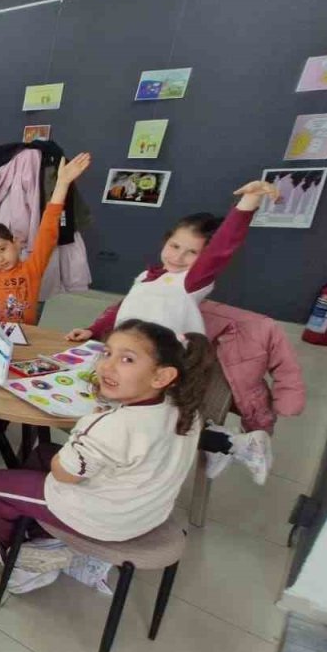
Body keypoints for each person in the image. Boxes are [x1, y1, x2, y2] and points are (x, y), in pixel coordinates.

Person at [0, 319, 215, 594]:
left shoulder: (112, 425)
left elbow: (64, 472)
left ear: (161, 376)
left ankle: (19, 561)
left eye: (127, 359)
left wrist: (84, 429)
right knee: (41, 452)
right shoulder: (187, 410)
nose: (106, 367)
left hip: (103, 519)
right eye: (107, 353)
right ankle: (45, 537)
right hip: (146, 510)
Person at [66, 180, 281, 482]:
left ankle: (238, 445)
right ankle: (219, 444)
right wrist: (92, 330)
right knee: (155, 417)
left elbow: (221, 250)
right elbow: (123, 307)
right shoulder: (148, 276)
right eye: (174, 246)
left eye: (191, 253)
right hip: (133, 359)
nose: (178, 257)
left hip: (161, 366)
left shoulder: (191, 281)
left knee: (161, 420)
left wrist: (247, 205)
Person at [0, 152, 92, 324]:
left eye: (2, 249)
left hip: (22, 339)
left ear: (16, 243)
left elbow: (48, 231)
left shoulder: (31, 270)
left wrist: (62, 183)